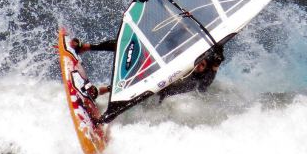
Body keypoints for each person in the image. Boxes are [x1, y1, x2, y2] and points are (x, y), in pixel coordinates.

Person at [69, 37, 223, 101]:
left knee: (145, 80)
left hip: (158, 92)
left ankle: (102, 91)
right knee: (131, 45)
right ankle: (86, 47)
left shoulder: (201, 80)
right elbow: (171, 41)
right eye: (199, 62)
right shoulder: (189, 61)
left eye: (202, 66)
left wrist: (215, 63)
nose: (197, 65)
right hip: (155, 77)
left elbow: (215, 62)